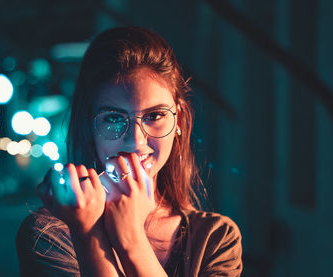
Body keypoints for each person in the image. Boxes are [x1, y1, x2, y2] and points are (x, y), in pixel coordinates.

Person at [16, 26, 242, 276]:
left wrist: (131, 240)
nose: (135, 141)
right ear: (89, 125)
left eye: (155, 115)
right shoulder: (49, 236)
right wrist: (88, 232)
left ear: (178, 119)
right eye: (113, 118)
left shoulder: (216, 238)